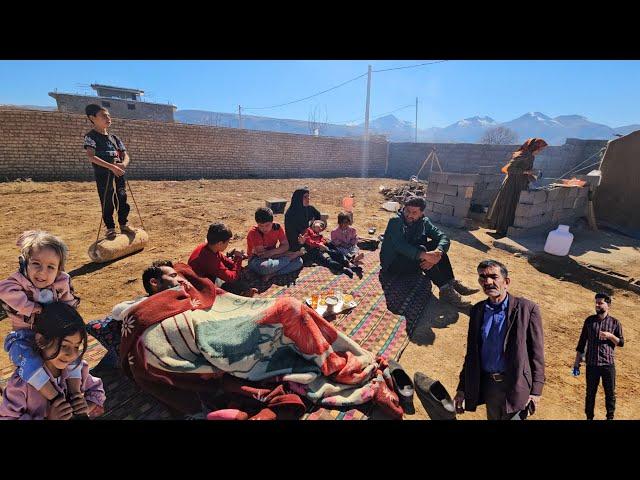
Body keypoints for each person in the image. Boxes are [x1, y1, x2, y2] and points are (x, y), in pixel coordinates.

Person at [0, 230, 86, 414]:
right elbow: (4, 291)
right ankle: (55, 397)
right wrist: (35, 309)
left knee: (71, 351)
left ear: (59, 269)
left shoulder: (62, 281)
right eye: (36, 264)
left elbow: (69, 305)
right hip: (24, 336)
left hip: (54, 333)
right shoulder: (17, 282)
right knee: (27, 361)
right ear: (24, 263)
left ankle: (75, 392)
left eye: (50, 267)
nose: (42, 272)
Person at [454, 260, 545, 420]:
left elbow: (536, 354)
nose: (487, 282)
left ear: (506, 282)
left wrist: (536, 391)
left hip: (516, 384)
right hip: (489, 386)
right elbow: (471, 354)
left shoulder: (527, 309)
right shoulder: (477, 311)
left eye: (493, 276)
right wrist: (462, 388)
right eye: (482, 277)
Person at [0, 302, 105, 420]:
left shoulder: (76, 370)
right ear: (41, 341)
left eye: (76, 346)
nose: (71, 355)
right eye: (64, 345)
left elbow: (97, 389)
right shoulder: (22, 385)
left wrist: (87, 406)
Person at [86, 260, 193, 369]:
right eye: (173, 276)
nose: (179, 280)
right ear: (154, 282)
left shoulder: (185, 292)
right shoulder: (140, 305)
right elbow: (117, 311)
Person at [379, 196, 478, 309]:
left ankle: (451, 282)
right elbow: (400, 246)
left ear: (421, 213)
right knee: (423, 250)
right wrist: (425, 256)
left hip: (412, 258)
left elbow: (443, 237)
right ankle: (444, 290)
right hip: (394, 262)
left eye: (414, 212)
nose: (409, 215)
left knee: (438, 247)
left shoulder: (424, 222)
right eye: (407, 210)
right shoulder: (395, 221)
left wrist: (438, 254)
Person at [83, 104, 135, 240]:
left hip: (119, 174)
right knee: (107, 199)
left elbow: (125, 155)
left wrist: (123, 164)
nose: (108, 118)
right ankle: (110, 228)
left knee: (122, 197)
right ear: (92, 118)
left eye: (108, 115)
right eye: (103, 115)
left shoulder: (115, 138)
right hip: (103, 175)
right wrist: (111, 167)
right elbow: (91, 156)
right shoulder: (91, 137)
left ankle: (124, 223)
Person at [573, 293, 624, 420]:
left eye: (600, 303)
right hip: (591, 364)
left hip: (608, 364)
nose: (597, 305)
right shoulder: (589, 321)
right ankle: (589, 417)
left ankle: (610, 417)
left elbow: (621, 343)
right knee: (590, 394)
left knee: (610, 394)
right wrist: (576, 362)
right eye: (596, 302)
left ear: (608, 305)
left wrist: (610, 336)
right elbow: (582, 342)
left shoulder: (615, 323)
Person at [487, 138, 548, 236]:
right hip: (512, 184)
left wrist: (532, 174)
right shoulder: (523, 155)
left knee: (514, 206)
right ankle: (500, 229)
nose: (539, 152)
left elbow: (525, 169)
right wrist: (526, 172)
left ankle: (506, 229)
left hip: (520, 183)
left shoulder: (531, 157)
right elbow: (510, 169)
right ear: (534, 147)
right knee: (507, 204)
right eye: (539, 149)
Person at [188, 223, 257, 297]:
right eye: (227, 242)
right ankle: (245, 292)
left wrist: (236, 262)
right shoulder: (209, 259)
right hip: (200, 286)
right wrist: (238, 258)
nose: (228, 244)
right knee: (232, 283)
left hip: (205, 275)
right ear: (220, 243)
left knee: (234, 270)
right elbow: (232, 278)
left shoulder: (209, 247)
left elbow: (224, 260)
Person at [246, 207, 304, 281]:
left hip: (274, 256)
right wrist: (288, 256)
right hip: (257, 259)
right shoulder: (254, 232)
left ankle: (273, 274)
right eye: (261, 226)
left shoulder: (277, 227)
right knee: (265, 267)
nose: (264, 229)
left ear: (272, 222)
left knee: (299, 261)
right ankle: (281, 266)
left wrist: (278, 253)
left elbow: (286, 246)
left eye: (267, 225)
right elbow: (263, 255)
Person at [284, 187, 322, 255]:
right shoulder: (290, 214)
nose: (308, 198)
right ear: (298, 199)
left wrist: (315, 225)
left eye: (308, 196)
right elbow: (291, 234)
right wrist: (301, 241)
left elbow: (318, 216)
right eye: (305, 197)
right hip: (296, 244)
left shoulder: (309, 208)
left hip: (309, 238)